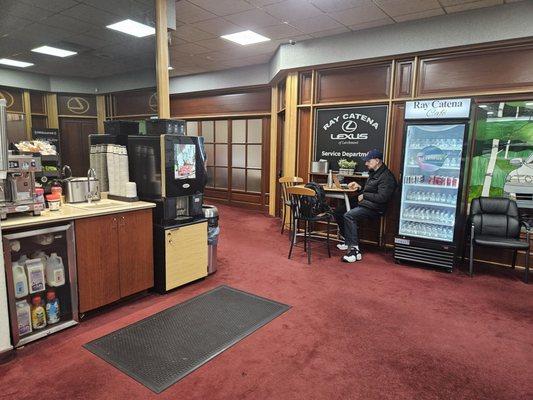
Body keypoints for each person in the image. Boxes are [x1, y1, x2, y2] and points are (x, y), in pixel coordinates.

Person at [333, 149, 396, 263]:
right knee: (338, 211)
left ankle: (354, 251)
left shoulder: (387, 177)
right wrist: (360, 187)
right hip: (367, 203)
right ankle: (348, 241)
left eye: (368, 161)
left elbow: (382, 198)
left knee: (349, 215)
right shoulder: (374, 173)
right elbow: (370, 189)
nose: (366, 163)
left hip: (376, 208)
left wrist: (365, 195)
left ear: (377, 161)